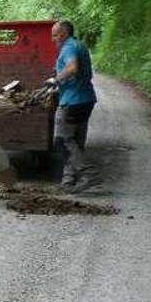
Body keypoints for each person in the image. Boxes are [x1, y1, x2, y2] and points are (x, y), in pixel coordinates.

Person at [46, 19, 100, 194]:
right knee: (75, 141)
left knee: (62, 140)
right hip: (86, 99)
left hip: (72, 101)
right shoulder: (79, 45)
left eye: (55, 35)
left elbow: (72, 68)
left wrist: (56, 79)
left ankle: (89, 174)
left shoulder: (68, 47)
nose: (53, 39)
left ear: (63, 33)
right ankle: (68, 180)